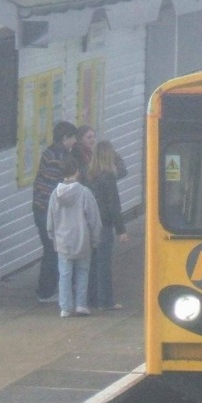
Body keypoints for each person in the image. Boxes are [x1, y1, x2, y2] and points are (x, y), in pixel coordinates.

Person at [47, 157, 101, 318]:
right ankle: (81, 305)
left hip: (63, 240)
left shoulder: (54, 195)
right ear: (77, 172)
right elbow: (94, 219)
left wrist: (52, 237)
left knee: (64, 274)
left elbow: (50, 220)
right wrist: (95, 239)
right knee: (82, 272)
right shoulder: (85, 193)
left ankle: (65, 307)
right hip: (82, 239)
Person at [31, 120, 78, 302]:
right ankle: (45, 292)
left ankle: (48, 290)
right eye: (73, 137)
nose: (74, 141)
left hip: (40, 209)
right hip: (47, 211)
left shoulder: (51, 152)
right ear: (65, 138)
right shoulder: (58, 157)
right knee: (52, 251)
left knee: (51, 250)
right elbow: (53, 188)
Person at [86, 140, 129, 310]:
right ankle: (106, 301)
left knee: (92, 264)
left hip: (90, 224)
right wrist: (121, 230)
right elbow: (114, 205)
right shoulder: (108, 177)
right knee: (104, 265)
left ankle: (91, 299)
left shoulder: (89, 176)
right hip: (104, 225)